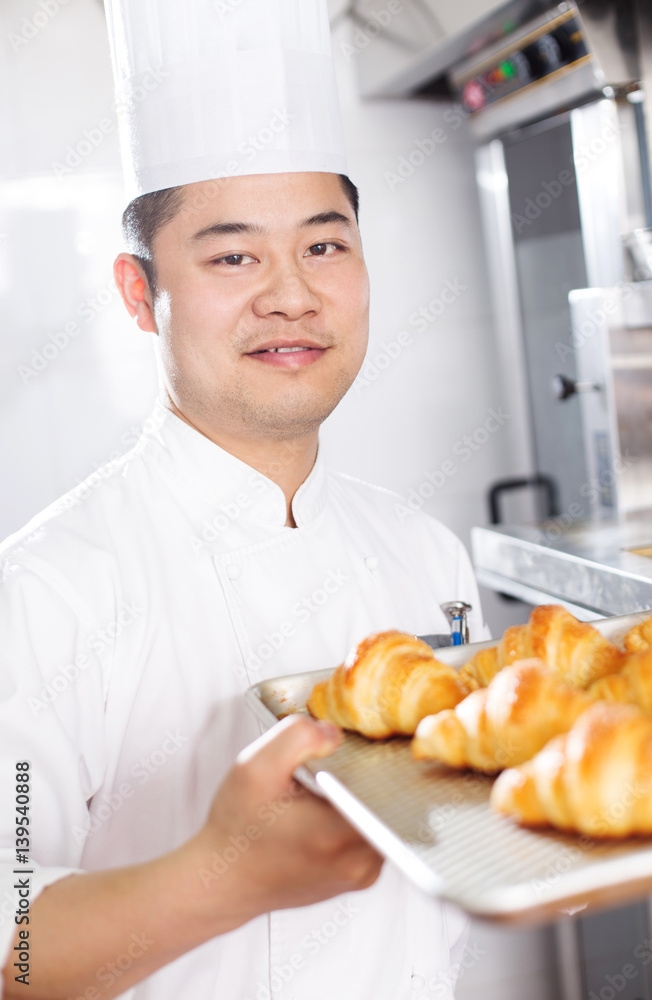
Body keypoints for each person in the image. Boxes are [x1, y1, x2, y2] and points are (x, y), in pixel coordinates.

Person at [0, 4, 487, 999]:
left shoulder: (426, 551)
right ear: (140, 295)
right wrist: (223, 877)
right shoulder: (45, 589)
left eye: (324, 246)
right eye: (232, 256)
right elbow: (13, 943)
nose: (292, 297)